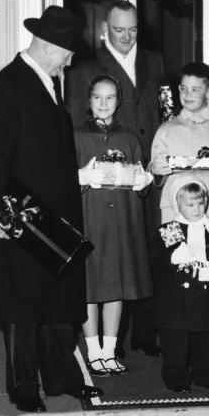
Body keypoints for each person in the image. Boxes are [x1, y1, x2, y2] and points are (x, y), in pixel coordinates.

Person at [0, 5, 103, 414]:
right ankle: (23, 386)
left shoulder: (45, 81)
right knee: (21, 304)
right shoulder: (12, 84)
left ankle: (60, 375)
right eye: (67, 51)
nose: (70, 59)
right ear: (48, 46)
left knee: (54, 300)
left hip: (48, 217)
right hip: (18, 215)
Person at [67, 0, 166, 357]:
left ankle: (142, 334)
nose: (127, 37)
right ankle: (110, 345)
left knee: (142, 250)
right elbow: (78, 119)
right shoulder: (83, 69)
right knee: (106, 255)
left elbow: (161, 111)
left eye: (133, 29)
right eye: (119, 30)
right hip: (103, 175)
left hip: (143, 166)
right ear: (106, 30)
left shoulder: (155, 61)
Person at [74, 75, 155, 378]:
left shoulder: (130, 138)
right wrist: (82, 177)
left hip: (122, 220)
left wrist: (144, 180)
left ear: (118, 101)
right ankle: (93, 351)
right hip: (90, 218)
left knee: (117, 286)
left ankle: (109, 351)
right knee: (91, 286)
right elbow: (64, 184)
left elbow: (141, 181)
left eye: (110, 98)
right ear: (89, 99)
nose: (104, 104)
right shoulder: (76, 136)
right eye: (98, 97)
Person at [152, 181, 209, 393]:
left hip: (207, 298)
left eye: (200, 203)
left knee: (207, 341)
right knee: (176, 345)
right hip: (177, 299)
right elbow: (157, 259)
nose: (197, 209)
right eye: (190, 205)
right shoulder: (170, 230)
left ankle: (205, 376)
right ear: (177, 205)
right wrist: (173, 258)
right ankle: (177, 379)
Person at [151, 61, 209, 236]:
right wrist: (157, 170)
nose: (187, 94)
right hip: (174, 212)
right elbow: (154, 176)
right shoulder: (166, 130)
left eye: (195, 90)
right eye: (183, 89)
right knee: (175, 259)